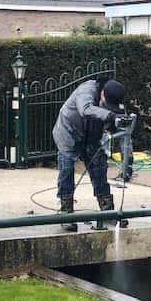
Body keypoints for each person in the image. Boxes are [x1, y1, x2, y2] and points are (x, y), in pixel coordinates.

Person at [52, 78, 126, 232]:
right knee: (66, 170)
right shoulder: (86, 91)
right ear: (103, 94)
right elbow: (85, 110)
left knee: (99, 168)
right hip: (68, 132)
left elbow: (118, 131)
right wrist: (110, 116)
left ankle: (108, 211)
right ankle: (66, 213)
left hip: (91, 135)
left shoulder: (114, 102)